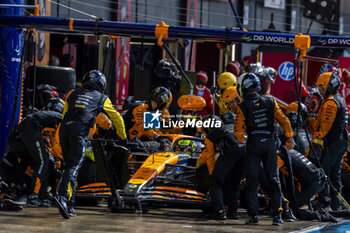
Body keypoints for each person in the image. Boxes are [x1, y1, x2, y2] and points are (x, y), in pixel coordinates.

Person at [54, 70, 127, 219]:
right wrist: (123, 137)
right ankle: (62, 196)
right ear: (101, 84)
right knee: (74, 167)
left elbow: (64, 113)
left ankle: (69, 203)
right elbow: (117, 117)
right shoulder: (102, 98)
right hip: (79, 133)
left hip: (64, 130)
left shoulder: (72, 94)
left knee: (69, 167)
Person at [235, 73, 295, 226]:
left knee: (252, 182)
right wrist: (289, 137)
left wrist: (245, 140)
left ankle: (254, 217)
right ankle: (277, 216)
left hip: (253, 143)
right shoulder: (271, 101)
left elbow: (238, 132)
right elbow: (284, 120)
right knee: (274, 179)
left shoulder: (242, 106)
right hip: (269, 142)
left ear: (244, 87)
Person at [307, 72, 348, 211]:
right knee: (334, 174)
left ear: (328, 85)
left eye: (321, 87)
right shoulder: (339, 98)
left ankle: (324, 202)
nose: (319, 90)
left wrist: (315, 146)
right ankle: (336, 204)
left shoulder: (330, 102)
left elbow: (324, 128)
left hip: (333, 143)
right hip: (340, 142)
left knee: (324, 172)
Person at [7, 109, 62, 207]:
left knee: (27, 160)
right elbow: (57, 148)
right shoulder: (63, 122)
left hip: (16, 136)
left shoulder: (53, 119)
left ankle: (13, 187)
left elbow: (48, 145)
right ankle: (34, 196)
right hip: (30, 127)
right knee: (43, 160)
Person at [197, 113, 244, 220]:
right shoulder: (231, 126)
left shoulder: (211, 135)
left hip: (233, 150)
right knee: (235, 182)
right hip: (245, 150)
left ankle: (220, 211)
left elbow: (211, 158)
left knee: (215, 181)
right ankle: (233, 213)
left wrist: (212, 174)